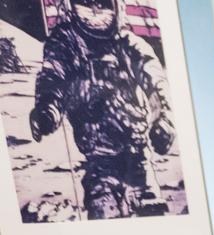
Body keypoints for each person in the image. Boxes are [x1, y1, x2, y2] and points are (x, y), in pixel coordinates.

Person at [28, 0, 173, 220]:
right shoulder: (66, 44)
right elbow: (54, 78)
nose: (95, 10)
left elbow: (154, 82)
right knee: (105, 214)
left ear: (116, 8)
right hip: (98, 160)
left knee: (150, 214)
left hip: (136, 155)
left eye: (102, 3)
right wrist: (48, 110)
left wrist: (163, 118)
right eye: (86, 3)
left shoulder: (128, 44)